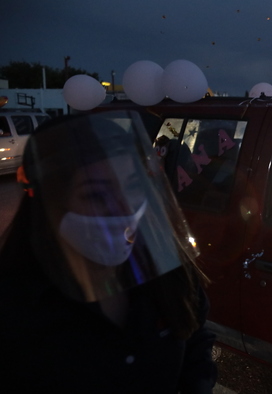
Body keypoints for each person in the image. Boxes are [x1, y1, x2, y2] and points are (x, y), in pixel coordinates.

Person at [0, 112, 217, 393]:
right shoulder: (15, 310)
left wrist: (198, 384)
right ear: (49, 205)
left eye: (132, 186)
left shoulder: (166, 269)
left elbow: (194, 334)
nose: (124, 209)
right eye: (96, 195)